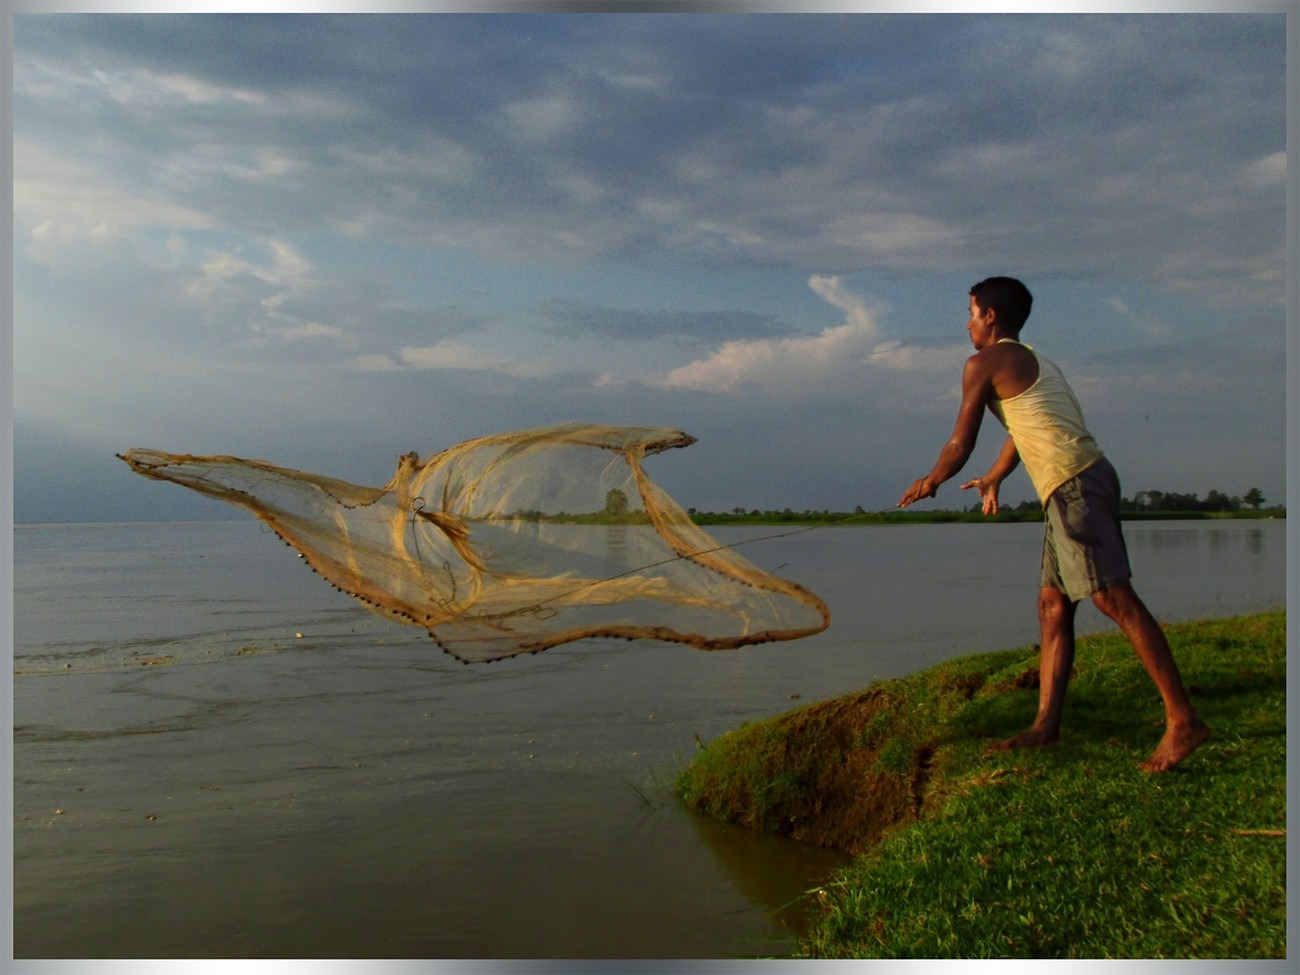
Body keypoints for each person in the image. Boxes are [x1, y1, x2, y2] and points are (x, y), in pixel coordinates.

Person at [897, 276, 1208, 772]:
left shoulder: (983, 362)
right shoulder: (1029, 360)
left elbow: (959, 443)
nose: (967, 324)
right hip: (1074, 485)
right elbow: (1024, 432)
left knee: (1111, 597)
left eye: (971, 313)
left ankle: (1182, 720)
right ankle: (1045, 726)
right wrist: (995, 478)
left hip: (1074, 485)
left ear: (990, 316)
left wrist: (931, 480)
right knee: (1052, 605)